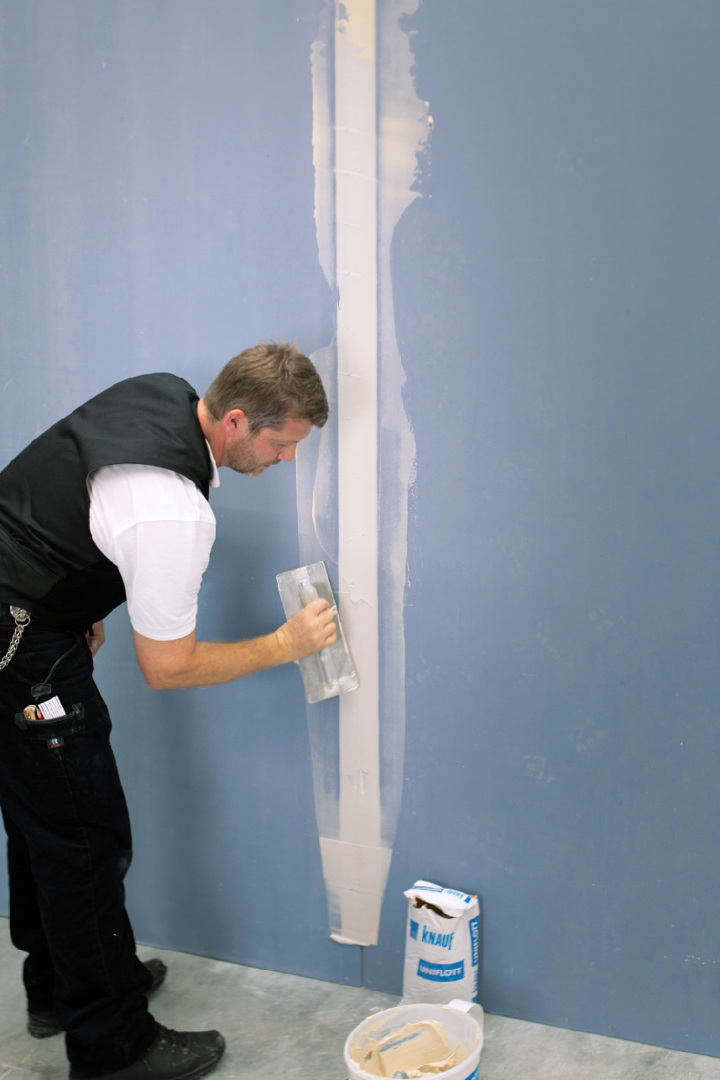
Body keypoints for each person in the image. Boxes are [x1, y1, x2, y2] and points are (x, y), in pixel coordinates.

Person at [0, 342, 337, 1080]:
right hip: (22, 645)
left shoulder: (159, 393)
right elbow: (168, 666)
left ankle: (59, 990)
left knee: (41, 826)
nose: (286, 460)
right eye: (281, 445)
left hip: (23, 609)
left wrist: (73, 600)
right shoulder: (174, 512)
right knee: (83, 842)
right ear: (237, 420)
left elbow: (75, 503)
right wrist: (284, 644)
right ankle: (112, 1047)